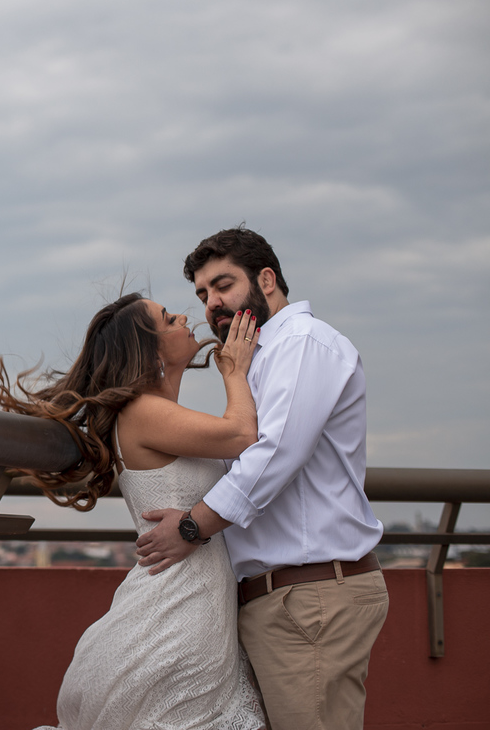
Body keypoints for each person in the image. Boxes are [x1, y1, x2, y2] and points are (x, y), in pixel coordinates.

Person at [136, 227, 389, 730]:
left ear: (266, 280)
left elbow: (275, 454)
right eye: (203, 294)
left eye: (223, 285)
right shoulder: (259, 357)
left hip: (310, 598)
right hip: (288, 600)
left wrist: (192, 526)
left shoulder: (301, 343)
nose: (212, 303)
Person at [0, 291, 265, 730]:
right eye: (168, 318)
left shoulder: (158, 413)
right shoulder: (143, 411)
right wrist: (234, 372)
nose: (183, 318)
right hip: (177, 617)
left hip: (191, 608)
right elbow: (242, 436)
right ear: (149, 349)